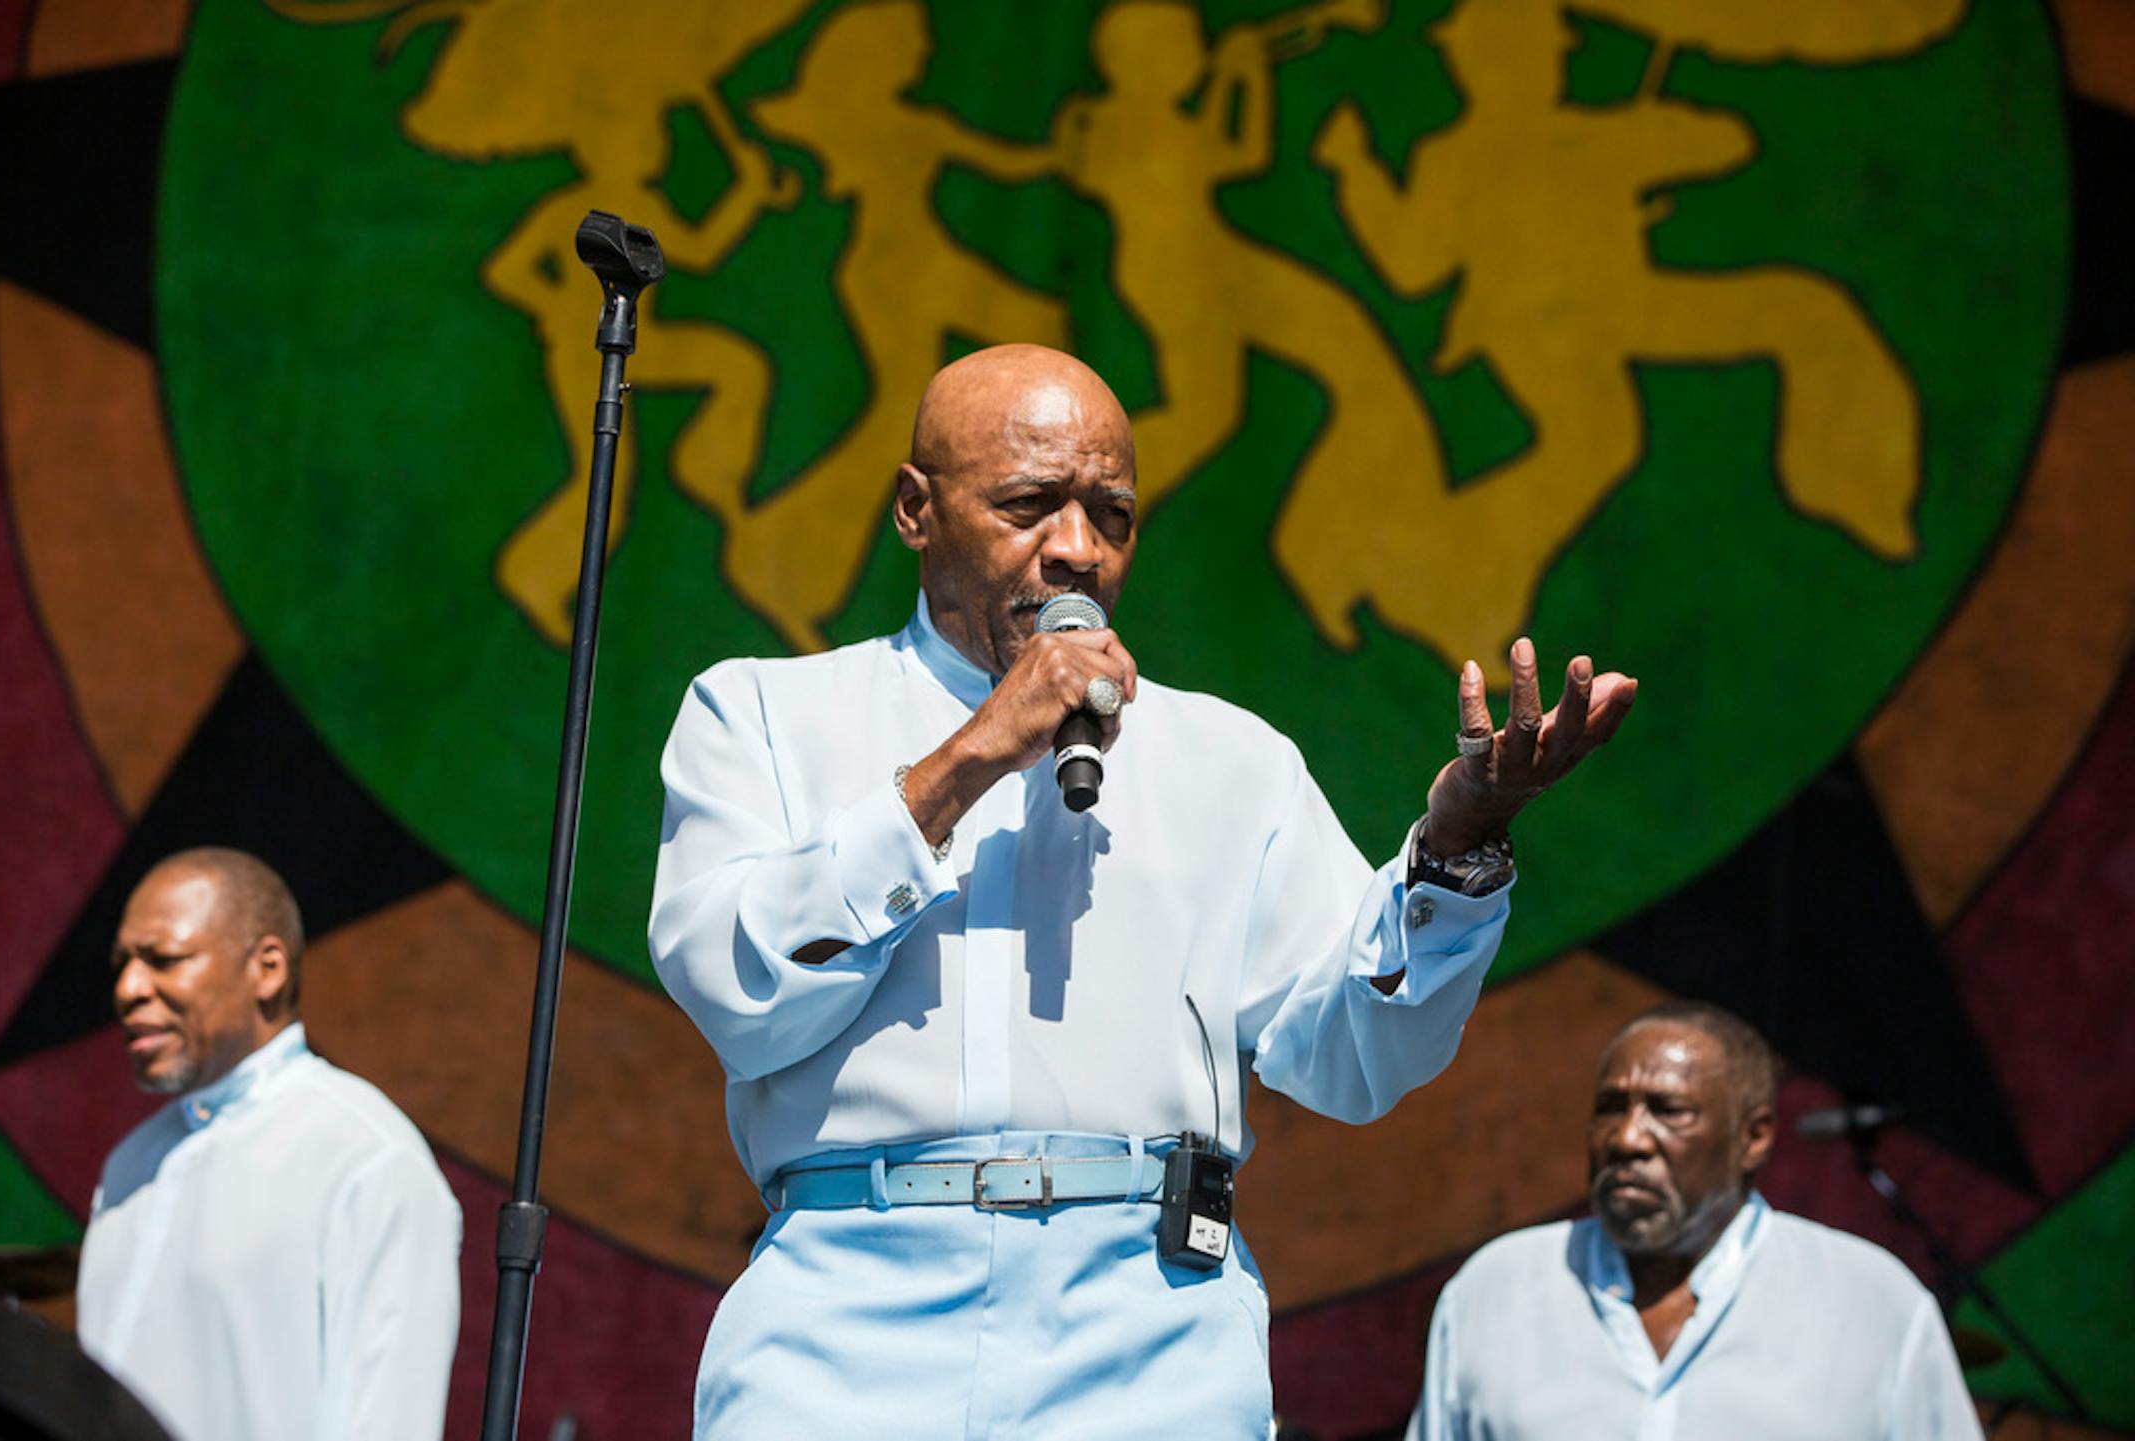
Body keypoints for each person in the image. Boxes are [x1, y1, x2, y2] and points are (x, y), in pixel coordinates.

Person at [648, 342, 1636, 1436]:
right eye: (1027, 504)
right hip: (845, 1321)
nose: (1074, 549)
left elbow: (1352, 1058)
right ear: (915, 509)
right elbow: (735, 990)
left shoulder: (1230, 758)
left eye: (1111, 515)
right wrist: (971, 756)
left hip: (1148, 1332)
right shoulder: (761, 715)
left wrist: (1456, 850)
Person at [1408, 1001, 1984, 1441]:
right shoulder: (1495, 1291)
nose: (1628, 1138)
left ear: (1753, 1136)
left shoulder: (1871, 1304)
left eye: (1668, 1111)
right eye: (1611, 1108)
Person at [77, 848, 462, 1441]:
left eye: (163, 959)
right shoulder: (130, 1164)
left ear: (269, 968)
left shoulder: (366, 1158)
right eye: (122, 963)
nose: (128, 989)